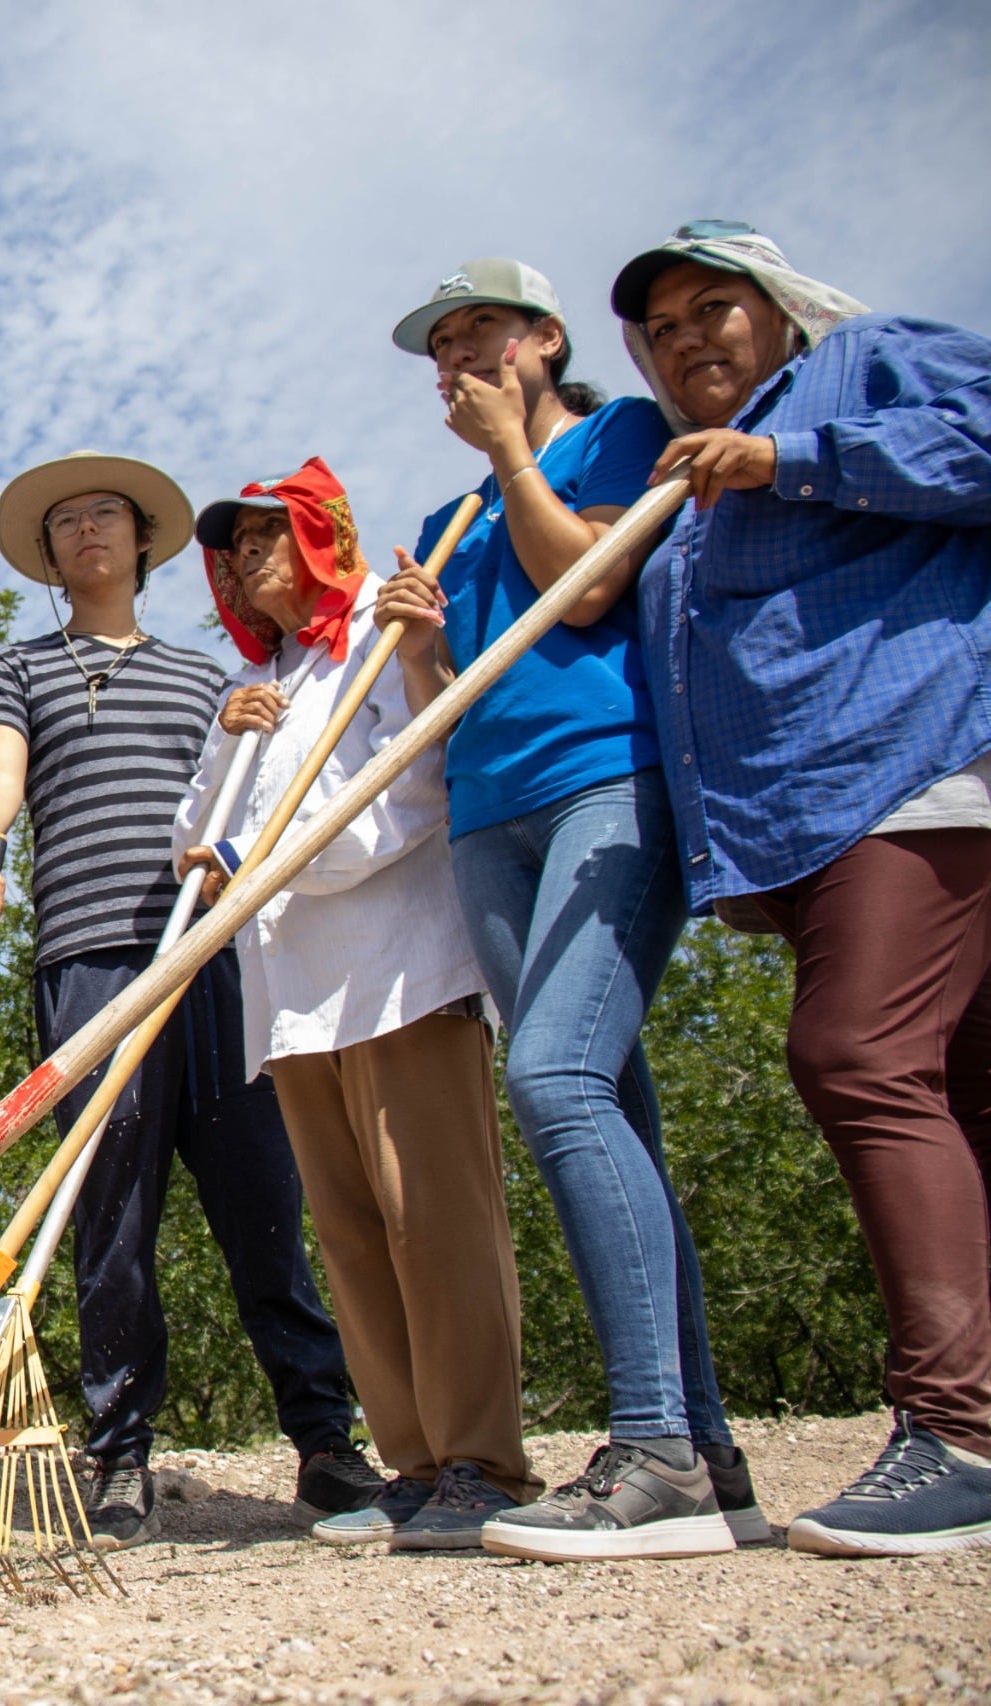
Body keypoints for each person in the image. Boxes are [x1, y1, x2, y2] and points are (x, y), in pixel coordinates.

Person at [376, 258, 762, 1561]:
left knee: (554, 1080)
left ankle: (650, 1442)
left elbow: (589, 586)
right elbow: (450, 698)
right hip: (489, 813)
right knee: (609, 1107)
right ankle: (704, 1451)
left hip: (610, 780)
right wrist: (421, 633)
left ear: (543, 338)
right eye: (439, 350)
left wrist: (514, 462)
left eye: (477, 333)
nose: (455, 361)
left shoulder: (623, 434)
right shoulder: (448, 513)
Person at [614, 220, 991, 1555]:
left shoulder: (866, 365)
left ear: (777, 307)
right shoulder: (686, 488)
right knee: (959, 1086)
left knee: (857, 1055)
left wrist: (797, 455)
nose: (687, 340)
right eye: (661, 330)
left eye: (713, 308)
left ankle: (955, 1429)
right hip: (813, 818)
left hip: (924, 759)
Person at [0, 450, 365, 1550]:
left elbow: (253, 799)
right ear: (49, 557)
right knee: (114, 1211)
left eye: (106, 516)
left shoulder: (207, 681)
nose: (87, 531)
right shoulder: (20, 667)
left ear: (143, 543)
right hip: (87, 958)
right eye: (66, 523)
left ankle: (324, 1438)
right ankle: (119, 1447)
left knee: (260, 1197)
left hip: (213, 956)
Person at [175, 460, 536, 1552]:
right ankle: (413, 1459)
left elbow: (413, 788)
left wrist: (263, 860)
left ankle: (482, 1457)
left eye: (265, 536)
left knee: (433, 1214)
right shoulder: (258, 689)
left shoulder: (375, 639)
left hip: (396, 969)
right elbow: (197, 841)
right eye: (232, 548)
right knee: (349, 1229)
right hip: (290, 998)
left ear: (319, 532)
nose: (247, 561)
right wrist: (228, 752)